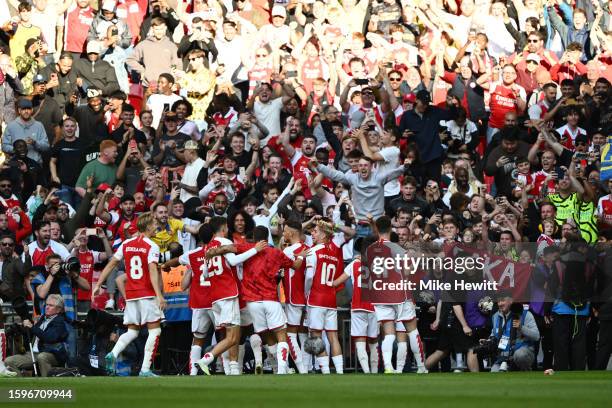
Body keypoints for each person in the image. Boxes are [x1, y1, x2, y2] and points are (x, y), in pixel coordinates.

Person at [92, 212, 165, 377]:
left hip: (131, 294)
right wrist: (159, 295)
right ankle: (146, 369)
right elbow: (153, 270)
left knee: (132, 331)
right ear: (147, 226)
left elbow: (112, 263)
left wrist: (98, 284)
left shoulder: (127, 244)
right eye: (154, 224)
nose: (157, 226)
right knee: (155, 331)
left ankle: (113, 354)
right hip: (146, 293)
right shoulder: (151, 246)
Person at [193, 216, 265, 375]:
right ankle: (206, 359)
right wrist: (255, 250)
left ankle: (233, 369)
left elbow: (204, 273)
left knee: (231, 333)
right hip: (228, 293)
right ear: (224, 228)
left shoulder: (208, 248)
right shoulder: (224, 242)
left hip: (216, 296)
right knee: (233, 337)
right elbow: (233, 262)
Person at [365, 216, 428, 374]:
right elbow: (406, 273)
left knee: (389, 333)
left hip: (380, 294)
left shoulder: (369, 250)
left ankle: (388, 366)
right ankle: (421, 367)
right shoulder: (398, 249)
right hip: (399, 293)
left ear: (378, 229)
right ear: (391, 230)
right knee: (412, 330)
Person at [4, 294, 68, 377]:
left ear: (59, 309)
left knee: (42, 357)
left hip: (52, 353)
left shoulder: (60, 322)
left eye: (51, 305)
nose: (47, 307)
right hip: (34, 353)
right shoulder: (42, 319)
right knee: (9, 361)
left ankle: (49, 386)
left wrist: (32, 327)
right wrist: (21, 329)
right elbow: (33, 334)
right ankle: (23, 386)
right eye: (47, 304)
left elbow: (50, 337)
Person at [488, 292, 540, 372]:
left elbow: (536, 336)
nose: (500, 304)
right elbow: (494, 334)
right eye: (498, 301)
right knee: (494, 372)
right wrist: (488, 341)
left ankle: (526, 371)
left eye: (502, 300)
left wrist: (521, 328)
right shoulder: (495, 316)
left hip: (523, 352)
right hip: (504, 356)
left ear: (511, 301)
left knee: (520, 355)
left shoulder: (525, 314)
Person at [2, 98, 49, 166]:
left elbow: (46, 147)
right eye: (23, 109)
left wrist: (35, 143)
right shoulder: (11, 126)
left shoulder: (39, 125)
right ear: (19, 110)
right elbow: (4, 146)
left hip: (35, 164)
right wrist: (16, 149)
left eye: (28, 109)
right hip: (17, 164)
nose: (26, 111)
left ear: (32, 110)